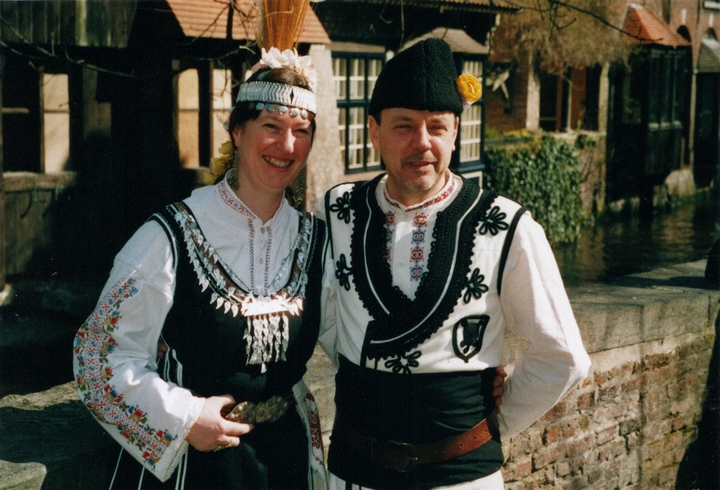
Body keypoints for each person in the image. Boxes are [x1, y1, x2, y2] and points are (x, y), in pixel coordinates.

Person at [315, 38, 592, 490]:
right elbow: (327, 320)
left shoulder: (508, 226)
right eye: (403, 126)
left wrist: (491, 422)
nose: (422, 143)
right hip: (354, 473)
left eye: (437, 127)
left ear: (456, 132)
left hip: (460, 480)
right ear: (373, 130)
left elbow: (563, 356)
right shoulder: (337, 211)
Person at [72, 42, 328, 488]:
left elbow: (357, 340)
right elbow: (99, 358)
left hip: (285, 461)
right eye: (271, 126)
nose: (287, 146)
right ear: (237, 131)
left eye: (301, 130)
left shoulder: (316, 240)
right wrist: (186, 417)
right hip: (199, 468)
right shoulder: (169, 235)